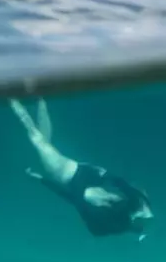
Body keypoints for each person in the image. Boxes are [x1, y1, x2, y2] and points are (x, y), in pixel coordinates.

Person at [10, 97, 153, 239]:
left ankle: (14, 101)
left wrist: (41, 179)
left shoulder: (89, 206)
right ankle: (40, 100)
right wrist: (141, 227)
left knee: (38, 139)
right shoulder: (113, 198)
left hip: (58, 170)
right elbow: (126, 187)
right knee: (44, 140)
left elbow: (64, 194)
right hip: (73, 167)